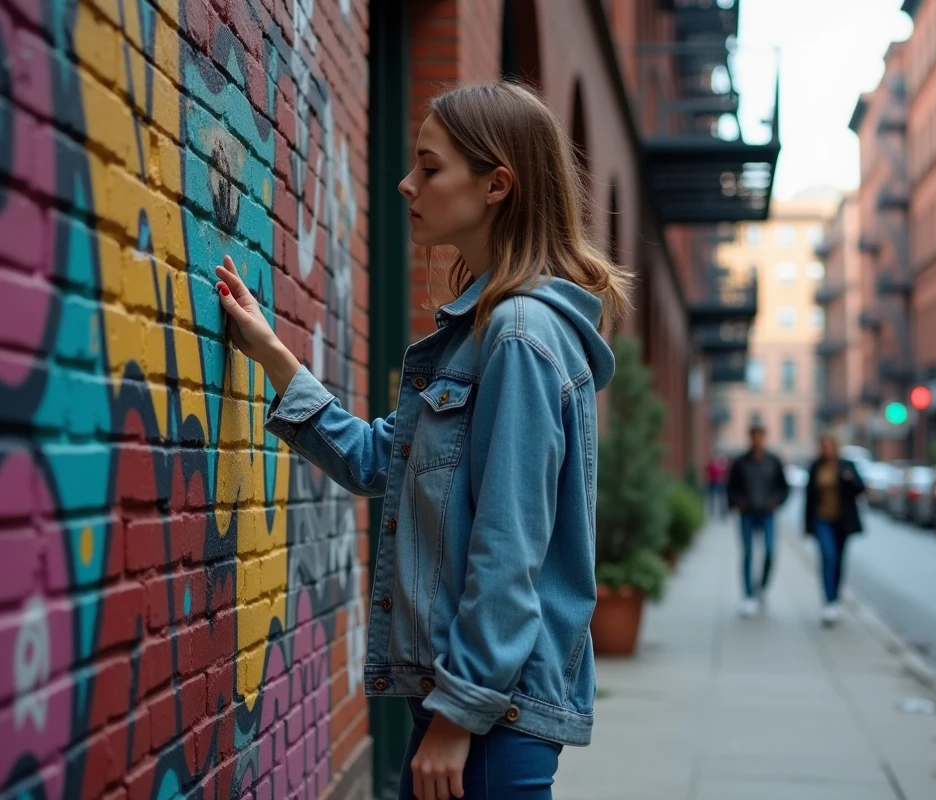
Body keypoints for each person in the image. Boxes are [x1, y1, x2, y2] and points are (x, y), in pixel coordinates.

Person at [214, 81, 631, 800]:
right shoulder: (487, 331)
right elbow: (386, 460)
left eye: (431, 167)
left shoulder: (519, 337)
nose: (409, 183)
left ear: (496, 183)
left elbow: (509, 548)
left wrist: (458, 716)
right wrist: (274, 359)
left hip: (487, 717)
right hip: (471, 706)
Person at [725, 424, 791, 617]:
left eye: (760, 436)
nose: (757, 440)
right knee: (747, 553)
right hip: (747, 514)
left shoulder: (773, 461)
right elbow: (730, 487)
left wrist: (776, 502)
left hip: (767, 514)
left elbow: (784, 488)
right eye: (754, 436)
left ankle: (760, 587)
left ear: (764, 438)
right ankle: (748, 596)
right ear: (750, 438)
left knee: (770, 551)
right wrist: (738, 502)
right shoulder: (740, 462)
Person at [804, 434, 866, 626]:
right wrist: (807, 524)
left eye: (830, 446)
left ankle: (836, 599)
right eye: (823, 446)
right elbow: (809, 498)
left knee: (838, 561)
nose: (827, 449)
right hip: (822, 519)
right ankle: (829, 601)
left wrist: (850, 479)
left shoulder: (846, 465)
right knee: (828, 557)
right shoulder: (816, 467)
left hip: (842, 521)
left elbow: (860, 488)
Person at [704, 453, 729, 518]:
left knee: (721, 498)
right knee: (713, 498)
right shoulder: (713, 465)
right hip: (714, 483)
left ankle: (722, 512)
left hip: (720, 483)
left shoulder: (722, 465)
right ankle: (712, 511)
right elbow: (707, 470)